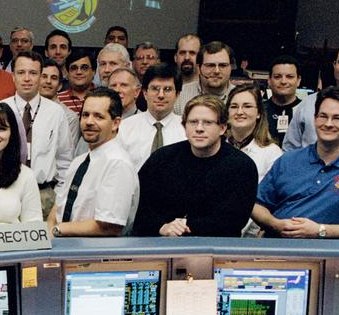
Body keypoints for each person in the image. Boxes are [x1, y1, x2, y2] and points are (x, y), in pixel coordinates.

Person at [254, 87, 339, 239]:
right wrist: (275, 224)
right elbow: (257, 204)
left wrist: (321, 231)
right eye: (323, 116)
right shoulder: (288, 160)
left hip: (330, 256)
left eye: (337, 118)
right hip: (277, 249)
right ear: (315, 119)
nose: (328, 124)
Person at [132, 95, 259, 238]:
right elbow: (139, 206)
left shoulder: (242, 167)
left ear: (222, 128)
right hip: (159, 243)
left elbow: (233, 219)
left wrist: (184, 227)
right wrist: (162, 227)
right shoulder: (162, 158)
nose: (199, 128)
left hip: (215, 248)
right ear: (184, 126)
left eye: (208, 123)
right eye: (193, 122)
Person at [49, 87, 137, 238]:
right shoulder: (79, 162)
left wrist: (58, 230)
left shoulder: (117, 163)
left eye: (98, 117)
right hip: (64, 250)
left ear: (115, 123)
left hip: (96, 255)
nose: (89, 122)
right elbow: (57, 209)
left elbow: (109, 226)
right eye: (85, 115)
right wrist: (51, 231)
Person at [2, 51, 73, 217]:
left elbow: (64, 159)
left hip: (44, 195)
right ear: (13, 77)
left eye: (33, 73)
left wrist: (59, 196)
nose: (27, 78)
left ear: (41, 77)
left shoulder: (56, 112)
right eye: (21, 73)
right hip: (5, 191)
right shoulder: (0, 109)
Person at [116, 62, 184, 169]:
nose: (161, 95)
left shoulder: (186, 130)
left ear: (177, 95)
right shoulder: (124, 128)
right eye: (155, 88)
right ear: (144, 93)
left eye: (167, 89)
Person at [226, 84, 283, 182]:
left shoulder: (272, 153)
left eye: (247, 106)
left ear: (259, 113)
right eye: (234, 106)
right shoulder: (215, 147)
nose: (239, 112)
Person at [263, 56, 304, 145]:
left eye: (290, 77)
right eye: (277, 77)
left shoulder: (306, 111)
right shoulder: (259, 110)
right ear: (269, 80)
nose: (283, 81)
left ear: (298, 80)